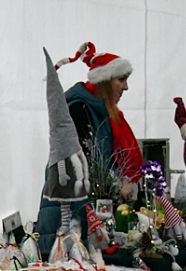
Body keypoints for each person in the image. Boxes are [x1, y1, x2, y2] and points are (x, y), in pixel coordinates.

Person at [36, 41, 143, 254]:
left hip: (81, 210)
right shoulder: (79, 109)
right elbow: (81, 165)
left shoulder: (97, 110)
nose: (126, 87)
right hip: (68, 214)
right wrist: (115, 186)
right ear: (104, 80)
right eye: (121, 80)